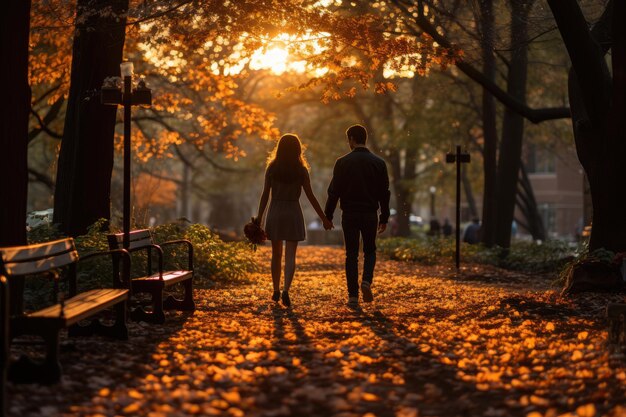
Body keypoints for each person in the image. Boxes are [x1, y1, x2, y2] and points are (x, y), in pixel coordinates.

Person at [255, 134, 332, 307]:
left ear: (279, 148)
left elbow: (265, 194)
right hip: (293, 212)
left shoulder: (272, 168)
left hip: (275, 211)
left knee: (276, 254)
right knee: (290, 256)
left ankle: (275, 289)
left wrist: (259, 218)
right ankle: (286, 291)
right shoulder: (301, 169)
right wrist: (324, 219)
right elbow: (310, 196)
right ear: (298, 149)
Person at [324, 124, 390, 306]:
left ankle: (353, 296)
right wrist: (384, 217)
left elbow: (333, 192)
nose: (348, 143)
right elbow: (385, 193)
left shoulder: (342, 162)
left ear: (352, 139)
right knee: (370, 250)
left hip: (350, 214)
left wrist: (327, 216)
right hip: (370, 213)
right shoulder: (379, 163)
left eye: (348, 139)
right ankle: (366, 281)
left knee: (351, 254)